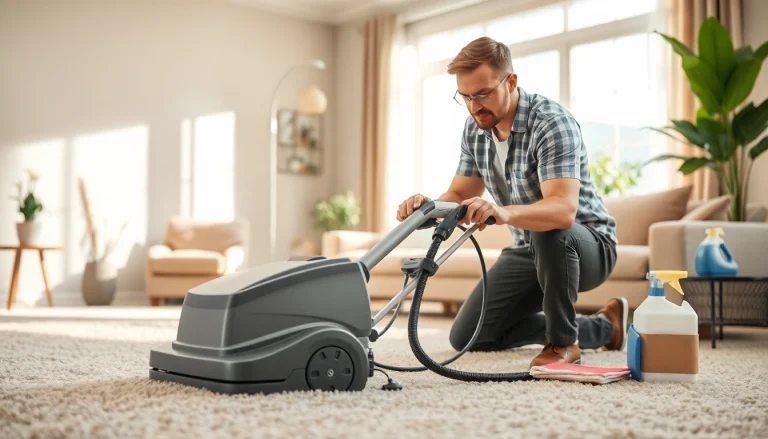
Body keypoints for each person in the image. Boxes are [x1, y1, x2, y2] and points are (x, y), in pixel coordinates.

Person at [396, 37, 627, 368]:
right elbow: (460, 193)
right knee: (469, 336)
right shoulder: (475, 129)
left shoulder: (550, 122)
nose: (475, 106)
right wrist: (428, 205)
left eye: (483, 94)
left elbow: (562, 210)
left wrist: (503, 213)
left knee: (549, 229)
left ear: (512, 82)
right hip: (529, 252)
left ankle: (564, 343)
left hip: (586, 246)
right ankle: (605, 327)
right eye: (466, 97)